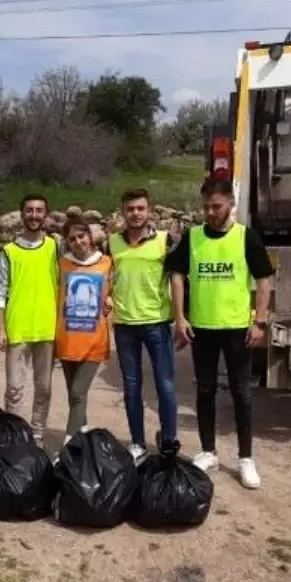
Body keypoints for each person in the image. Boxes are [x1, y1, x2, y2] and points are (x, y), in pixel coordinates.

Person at [169, 176, 274, 489]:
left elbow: (264, 279)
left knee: (242, 393)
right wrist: (180, 317)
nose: (210, 212)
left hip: (237, 329)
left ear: (230, 204)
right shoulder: (193, 237)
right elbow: (176, 274)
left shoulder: (246, 237)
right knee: (205, 391)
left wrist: (259, 321)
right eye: (205, 207)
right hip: (202, 328)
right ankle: (208, 451)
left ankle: (245, 458)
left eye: (216, 206)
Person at [107, 188, 179, 462]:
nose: (135, 213)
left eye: (140, 208)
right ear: (122, 212)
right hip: (124, 324)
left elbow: (177, 279)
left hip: (157, 323)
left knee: (165, 385)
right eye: (130, 209)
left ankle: (170, 440)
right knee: (131, 386)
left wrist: (182, 315)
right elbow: (106, 276)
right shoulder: (112, 243)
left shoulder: (165, 240)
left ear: (149, 211)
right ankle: (137, 442)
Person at [0, 193, 59, 445]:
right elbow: (0, 290)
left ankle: (38, 433)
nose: (34, 215)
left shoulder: (54, 247)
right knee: (14, 389)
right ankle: (15, 435)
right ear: (22, 214)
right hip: (17, 327)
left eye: (39, 210)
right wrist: (0, 328)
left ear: (45, 214)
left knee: (43, 388)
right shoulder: (9, 252)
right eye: (29, 210)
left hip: (47, 328)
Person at [56, 218, 112, 444]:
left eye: (82, 236)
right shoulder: (61, 264)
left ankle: (69, 447)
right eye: (72, 238)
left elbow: (116, 290)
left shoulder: (107, 262)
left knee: (79, 392)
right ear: (67, 242)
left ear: (90, 236)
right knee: (74, 396)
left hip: (94, 339)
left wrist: (110, 300)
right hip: (67, 339)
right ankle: (84, 438)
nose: (78, 242)